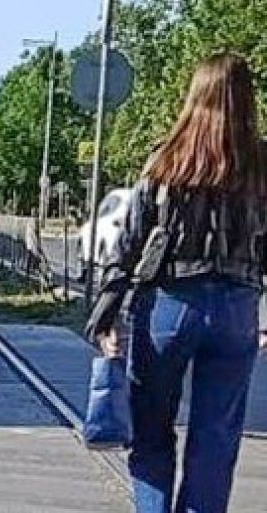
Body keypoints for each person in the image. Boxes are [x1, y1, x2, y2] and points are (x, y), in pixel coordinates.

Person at [87, 54, 267, 513]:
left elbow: (128, 240)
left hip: (169, 304)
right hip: (237, 308)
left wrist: (106, 311)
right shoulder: (261, 164)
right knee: (216, 441)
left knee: (151, 433)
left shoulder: (167, 156)